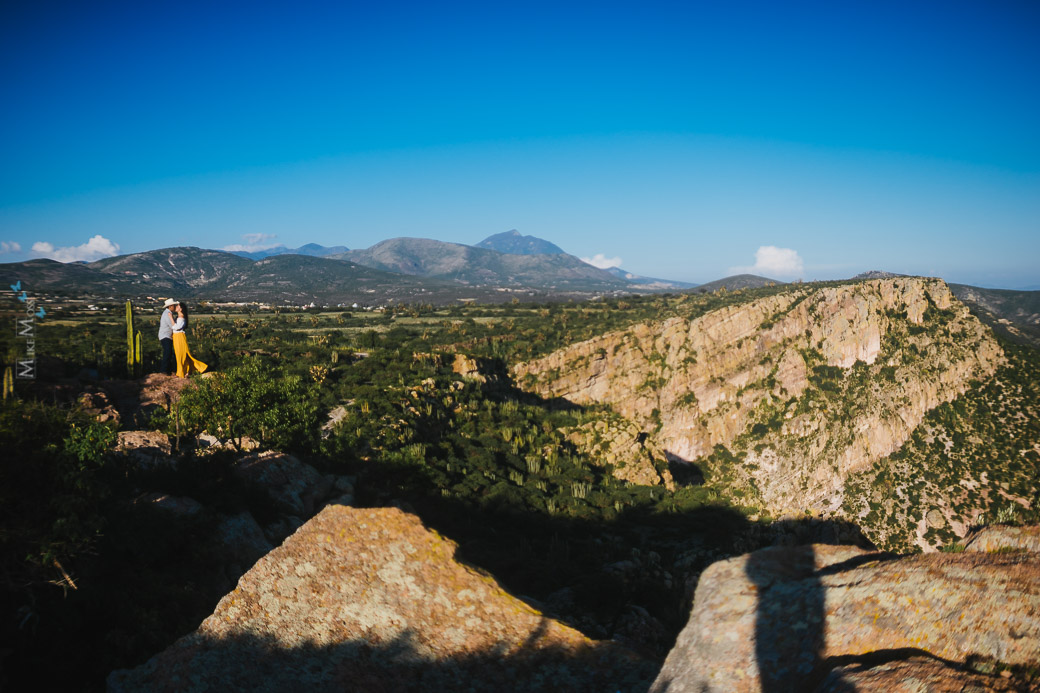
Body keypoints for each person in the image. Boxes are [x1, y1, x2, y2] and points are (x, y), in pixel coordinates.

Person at [170, 302, 208, 377]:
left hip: (179, 337)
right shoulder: (179, 317)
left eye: (177, 306)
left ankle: (182, 372)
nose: (176, 307)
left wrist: (170, 318)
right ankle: (187, 371)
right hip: (177, 336)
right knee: (180, 354)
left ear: (181, 309)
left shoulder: (181, 317)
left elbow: (176, 327)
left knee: (181, 354)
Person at [158, 298, 178, 375]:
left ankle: (167, 370)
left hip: (166, 335)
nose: (175, 307)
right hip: (165, 336)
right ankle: (164, 370)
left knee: (168, 353)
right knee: (167, 352)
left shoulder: (167, 313)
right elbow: (172, 326)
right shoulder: (167, 314)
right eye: (174, 305)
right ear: (170, 306)